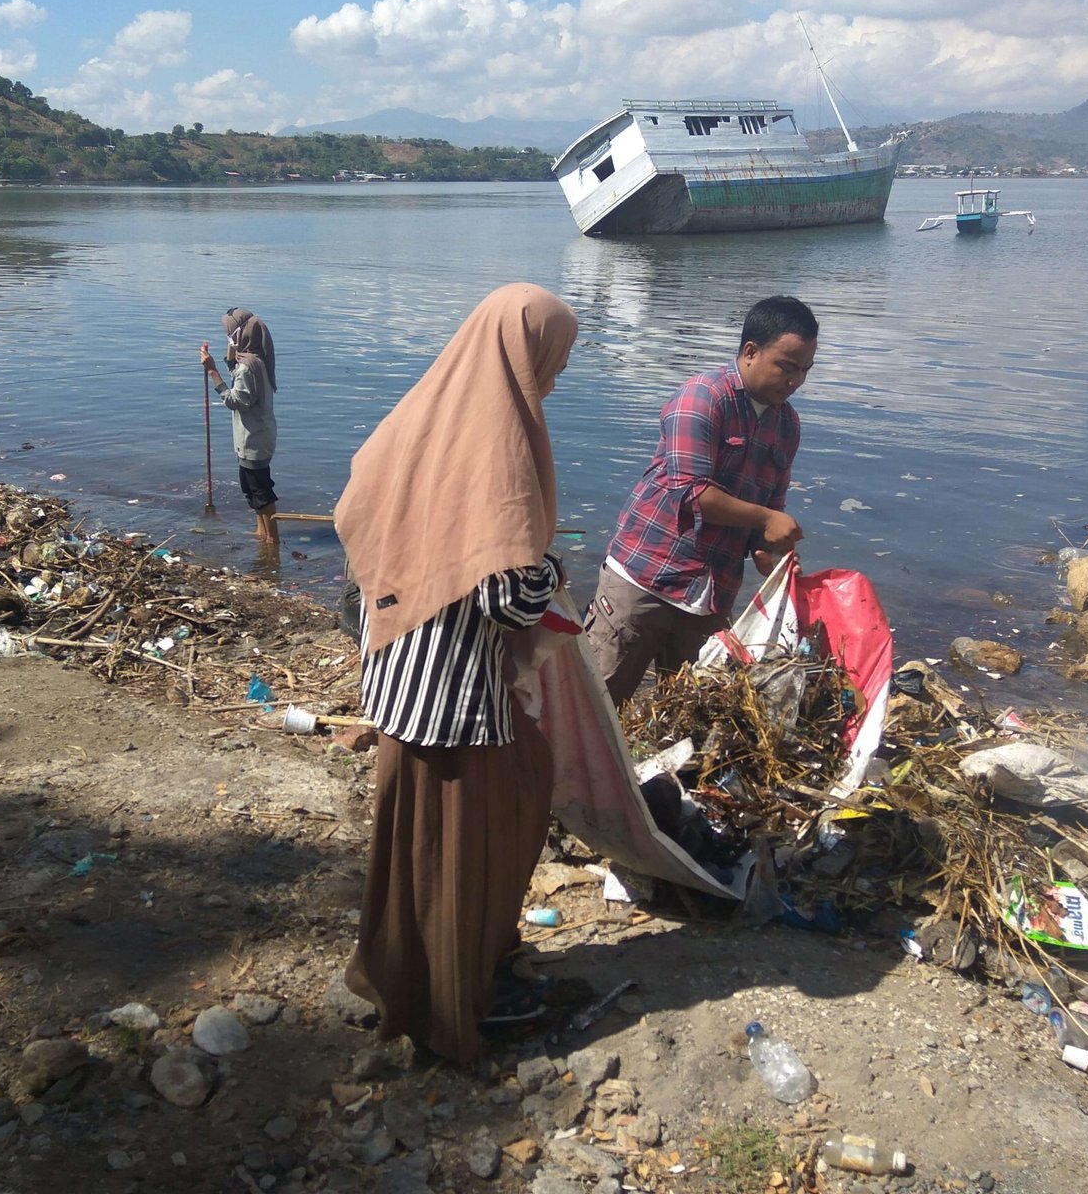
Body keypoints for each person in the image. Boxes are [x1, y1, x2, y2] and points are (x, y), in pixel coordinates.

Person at [334, 282, 579, 1064]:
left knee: (416, 840)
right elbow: (507, 596)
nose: (555, 378)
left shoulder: (423, 413)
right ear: (523, 354)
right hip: (452, 688)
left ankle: (398, 973)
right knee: (476, 835)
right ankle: (454, 1003)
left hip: (397, 668)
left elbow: (355, 510)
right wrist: (554, 572)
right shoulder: (499, 442)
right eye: (553, 360)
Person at [585, 294, 816, 706]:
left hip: (711, 593)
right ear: (750, 352)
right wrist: (766, 520)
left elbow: (770, 510)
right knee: (596, 703)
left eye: (804, 370)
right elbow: (693, 493)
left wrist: (769, 552)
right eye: (787, 366)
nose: (795, 380)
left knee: (690, 712)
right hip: (646, 578)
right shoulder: (703, 396)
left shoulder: (787, 425)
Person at [200, 307, 279, 542]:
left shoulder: (248, 367)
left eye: (230, 334)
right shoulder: (256, 360)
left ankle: (272, 538)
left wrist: (212, 372)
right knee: (251, 489)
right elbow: (235, 370)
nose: (229, 338)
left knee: (260, 491)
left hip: (253, 439)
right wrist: (231, 348)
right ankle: (261, 533)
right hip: (258, 436)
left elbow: (236, 400)